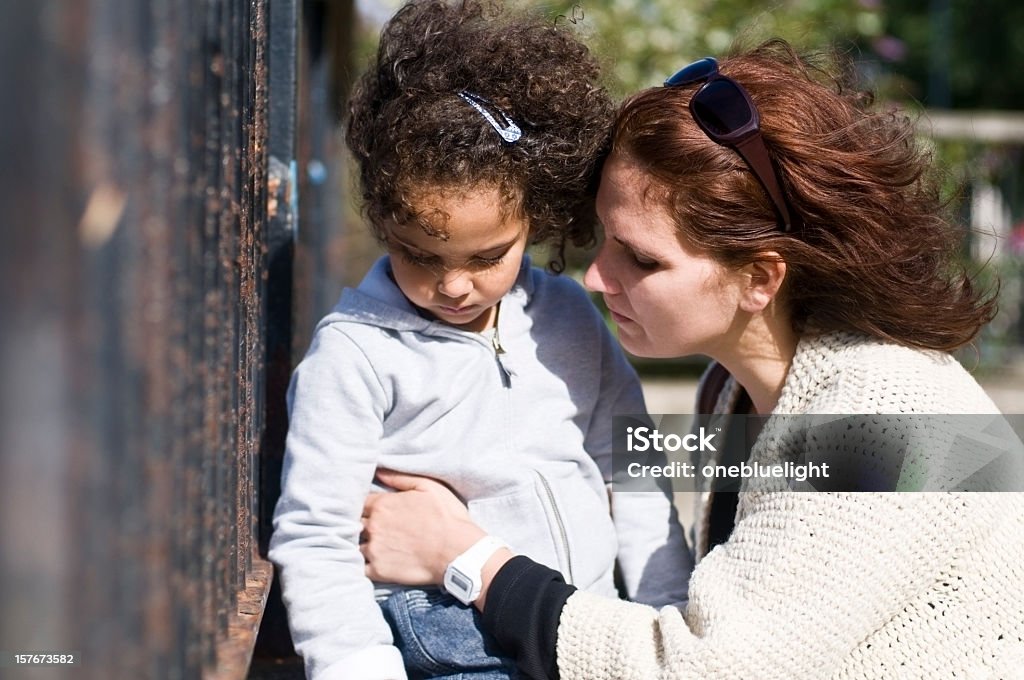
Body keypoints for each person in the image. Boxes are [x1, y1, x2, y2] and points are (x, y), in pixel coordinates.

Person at [358, 40, 1024, 678]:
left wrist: (464, 555)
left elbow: (704, 665)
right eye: (605, 239)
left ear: (761, 278)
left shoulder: (882, 416)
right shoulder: (731, 387)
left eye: (643, 260)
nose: (595, 278)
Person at [268, 2, 691, 679]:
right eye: (420, 255)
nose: (455, 286)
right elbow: (316, 534)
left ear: (537, 215)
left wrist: (665, 609)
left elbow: (632, 468)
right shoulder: (355, 353)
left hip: (582, 624)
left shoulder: (568, 316)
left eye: (487, 255)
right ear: (381, 219)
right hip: (456, 648)